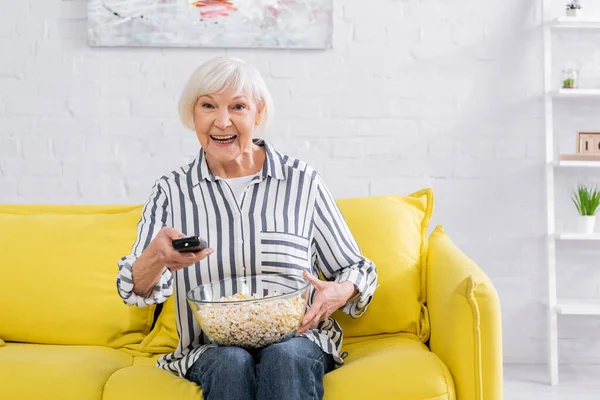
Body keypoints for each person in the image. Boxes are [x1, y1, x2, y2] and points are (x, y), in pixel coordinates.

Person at [116, 56, 378, 400]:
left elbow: (357, 268)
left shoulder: (301, 182)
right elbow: (132, 289)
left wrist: (339, 292)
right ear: (192, 114)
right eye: (208, 105)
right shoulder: (171, 191)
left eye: (237, 107)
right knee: (230, 362)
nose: (221, 122)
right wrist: (155, 258)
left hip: (297, 340)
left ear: (258, 113)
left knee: (284, 357)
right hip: (209, 347)